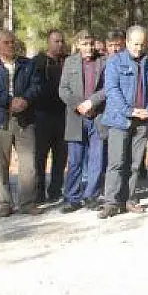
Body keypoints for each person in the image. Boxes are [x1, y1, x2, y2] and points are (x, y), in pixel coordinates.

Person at [99, 25, 148, 218]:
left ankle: (130, 199)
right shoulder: (114, 62)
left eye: (142, 44)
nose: (138, 48)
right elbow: (112, 91)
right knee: (116, 162)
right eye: (135, 44)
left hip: (142, 120)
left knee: (135, 163)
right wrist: (130, 111)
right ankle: (112, 202)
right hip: (120, 119)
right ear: (126, 42)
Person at [0, 30, 45, 217]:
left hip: (25, 119)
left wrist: (25, 100)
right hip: (0, 120)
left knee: (28, 163)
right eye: (7, 43)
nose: (11, 45)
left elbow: (36, 85)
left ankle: (27, 202)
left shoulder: (28, 64)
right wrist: (10, 102)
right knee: (1, 163)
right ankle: (4, 203)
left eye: (13, 42)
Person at [58, 30, 107, 213]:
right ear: (78, 45)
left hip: (97, 116)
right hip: (76, 117)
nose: (89, 48)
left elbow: (107, 88)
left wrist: (92, 102)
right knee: (75, 160)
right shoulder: (70, 62)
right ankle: (72, 197)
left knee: (96, 159)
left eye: (91, 44)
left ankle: (91, 196)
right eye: (85, 44)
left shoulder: (103, 62)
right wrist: (78, 105)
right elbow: (63, 90)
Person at [32, 29, 68, 203]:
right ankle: (38, 192)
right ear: (48, 42)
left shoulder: (68, 61)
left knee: (60, 156)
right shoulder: (37, 62)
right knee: (40, 156)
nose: (60, 44)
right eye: (56, 41)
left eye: (62, 41)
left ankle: (55, 189)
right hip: (42, 115)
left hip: (63, 115)